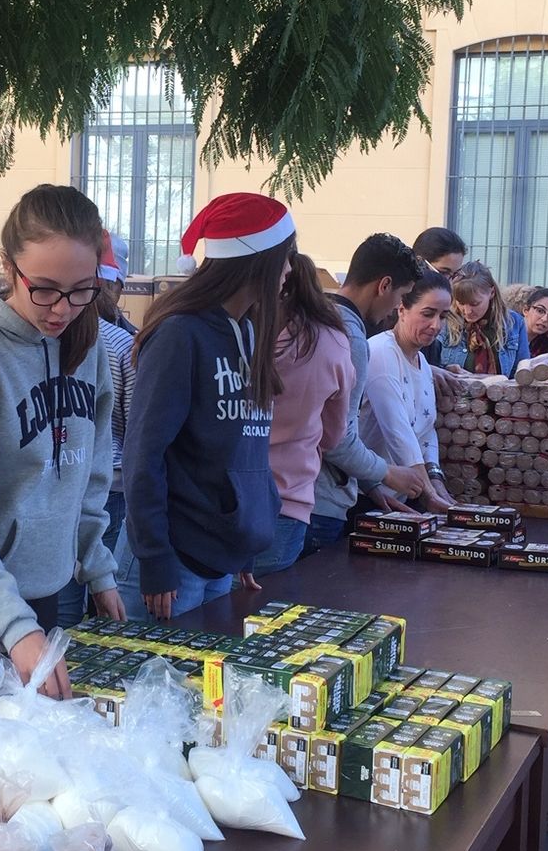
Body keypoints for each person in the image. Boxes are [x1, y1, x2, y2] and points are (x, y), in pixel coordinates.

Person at [0, 185, 121, 694]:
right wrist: (14, 628)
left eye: (82, 289)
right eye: (45, 288)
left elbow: (91, 468)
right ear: (9, 268)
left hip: (52, 591)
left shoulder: (87, 338)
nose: (62, 308)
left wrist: (97, 563)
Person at [119, 192, 295, 619]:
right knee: (151, 685)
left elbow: (246, 450)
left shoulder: (250, 332)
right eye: (285, 257)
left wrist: (246, 545)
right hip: (170, 562)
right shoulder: (181, 335)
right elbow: (144, 454)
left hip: (221, 562)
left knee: (199, 686)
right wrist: (155, 558)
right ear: (255, 261)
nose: (290, 270)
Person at [308, 234, 428, 551]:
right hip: (318, 502)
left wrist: (371, 482)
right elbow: (336, 437)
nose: (396, 309)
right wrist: (387, 473)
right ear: (384, 285)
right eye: (401, 296)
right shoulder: (351, 336)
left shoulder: (320, 315)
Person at [56, 235, 138, 627]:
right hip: (108, 486)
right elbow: (132, 422)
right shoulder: (122, 342)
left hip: (86, 483)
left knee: (68, 599)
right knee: (94, 600)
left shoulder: (109, 343)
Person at [255, 254, 355, 575]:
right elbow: (333, 433)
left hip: (234, 498)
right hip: (291, 498)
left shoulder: (245, 334)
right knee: (265, 615)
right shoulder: (334, 343)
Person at [362, 270, 456, 512]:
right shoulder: (382, 353)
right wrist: (429, 494)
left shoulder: (422, 363)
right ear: (402, 308)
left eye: (443, 316)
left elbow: (425, 431)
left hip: (399, 497)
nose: (436, 325)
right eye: (427, 314)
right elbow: (399, 433)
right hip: (368, 495)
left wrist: (435, 478)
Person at [432, 261, 530, 376]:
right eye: (461, 303)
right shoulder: (445, 321)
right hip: (454, 393)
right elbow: (428, 366)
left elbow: (522, 372)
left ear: (492, 293)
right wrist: (445, 370)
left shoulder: (513, 322)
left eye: (475, 303)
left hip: (501, 393)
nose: (467, 311)